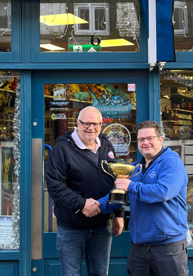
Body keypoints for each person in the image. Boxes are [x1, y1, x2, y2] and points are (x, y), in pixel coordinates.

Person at [44, 106, 125, 276]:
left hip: (101, 226)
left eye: (96, 124)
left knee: (100, 273)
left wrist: (119, 213)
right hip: (72, 226)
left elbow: (116, 181)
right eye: (86, 123)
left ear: (101, 125)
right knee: (71, 274)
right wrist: (82, 204)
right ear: (77, 123)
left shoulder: (106, 145)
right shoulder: (62, 149)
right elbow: (55, 186)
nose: (91, 128)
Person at [108, 120, 189, 276]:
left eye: (150, 138)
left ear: (160, 139)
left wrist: (131, 186)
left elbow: (163, 192)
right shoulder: (135, 167)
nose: (145, 142)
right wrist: (94, 205)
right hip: (139, 246)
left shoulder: (172, 163)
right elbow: (118, 193)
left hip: (168, 245)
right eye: (141, 139)